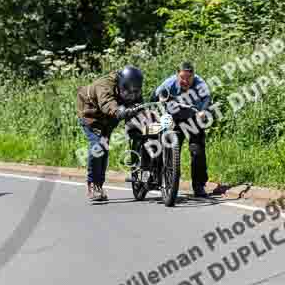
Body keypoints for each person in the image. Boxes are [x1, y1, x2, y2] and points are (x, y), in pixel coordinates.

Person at [76, 66, 145, 202]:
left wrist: (144, 116)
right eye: (127, 90)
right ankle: (93, 184)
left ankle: (99, 185)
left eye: (134, 90)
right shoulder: (105, 85)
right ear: (120, 83)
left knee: (104, 147)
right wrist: (119, 111)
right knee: (97, 146)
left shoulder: (134, 88)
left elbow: (139, 105)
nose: (131, 93)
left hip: (110, 118)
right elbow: (107, 103)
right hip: (91, 114)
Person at [148, 61, 211, 197]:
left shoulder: (200, 83)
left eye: (189, 78)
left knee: (197, 150)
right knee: (161, 144)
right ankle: (158, 177)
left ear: (194, 76)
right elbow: (154, 96)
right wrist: (153, 112)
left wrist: (203, 111)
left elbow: (207, 98)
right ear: (177, 76)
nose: (185, 81)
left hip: (193, 117)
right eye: (182, 78)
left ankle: (199, 185)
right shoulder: (170, 83)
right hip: (173, 118)